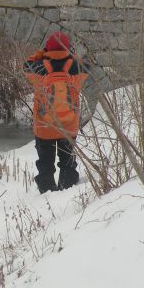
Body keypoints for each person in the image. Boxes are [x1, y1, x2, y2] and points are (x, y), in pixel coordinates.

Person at [24, 31, 88, 194]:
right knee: (68, 162)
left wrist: (41, 53)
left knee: (45, 163)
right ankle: (68, 190)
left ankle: (47, 193)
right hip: (68, 125)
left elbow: (26, 65)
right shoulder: (76, 68)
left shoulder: (38, 68)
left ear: (48, 48)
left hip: (44, 126)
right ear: (68, 48)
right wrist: (71, 56)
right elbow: (88, 67)